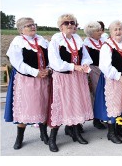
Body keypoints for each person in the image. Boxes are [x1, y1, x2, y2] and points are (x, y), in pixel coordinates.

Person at [47, 14, 94, 152]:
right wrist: (74, 67)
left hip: (78, 77)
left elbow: (85, 56)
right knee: (61, 106)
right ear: (61, 26)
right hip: (63, 77)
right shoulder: (55, 41)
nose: (70, 25)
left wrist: (84, 64)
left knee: (76, 104)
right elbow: (55, 63)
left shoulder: (77, 39)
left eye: (72, 22)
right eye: (66, 23)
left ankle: (76, 133)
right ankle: (52, 138)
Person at [5, 17, 50, 150]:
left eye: (33, 24)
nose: (32, 27)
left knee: (43, 105)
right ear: (21, 30)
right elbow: (17, 63)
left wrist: (48, 69)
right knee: (25, 107)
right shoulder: (17, 42)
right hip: (27, 80)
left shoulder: (41, 40)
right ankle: (20, 137)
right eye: (28, 25)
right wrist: (35, 72)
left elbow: (50, 57)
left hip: (43, 79)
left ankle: (44, 134)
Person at [83, 21, 108, 131]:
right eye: (97, 30)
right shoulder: (86, 43)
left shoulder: (103, 41)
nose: (100, 32)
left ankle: (104, 116)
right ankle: (96, 119)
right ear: (91, 32)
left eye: (100, 30)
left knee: (105, 93)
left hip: (105, 70)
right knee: (97, 94)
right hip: (94, 70)